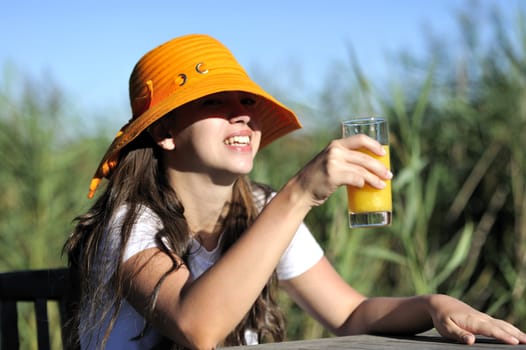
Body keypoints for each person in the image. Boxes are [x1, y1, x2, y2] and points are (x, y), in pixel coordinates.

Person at [64, 34, 526, 350]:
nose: (242, 115)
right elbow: (197, 327)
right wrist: (302, 191)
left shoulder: (261, 209)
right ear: (165, 130)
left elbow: (351, 315)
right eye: (214, 101)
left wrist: (435, 304)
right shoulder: (130, 226)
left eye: (247, 102)